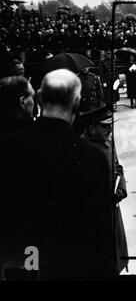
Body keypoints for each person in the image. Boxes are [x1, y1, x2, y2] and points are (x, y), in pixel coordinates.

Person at [0, 69, 116, 279]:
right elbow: (100, 235)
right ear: (77, 102)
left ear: (40, 98)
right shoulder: (91, 157)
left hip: (23, 261)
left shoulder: (8, 146)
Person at [81, 106, 129, 274]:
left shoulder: (109, 141)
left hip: (113, 211)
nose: (110, 129)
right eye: (105, 126)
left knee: (116, 254)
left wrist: (121, 188)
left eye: (111, 125)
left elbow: (118, 168)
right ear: (92, 128)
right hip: (94, 216)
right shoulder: (79, 149)